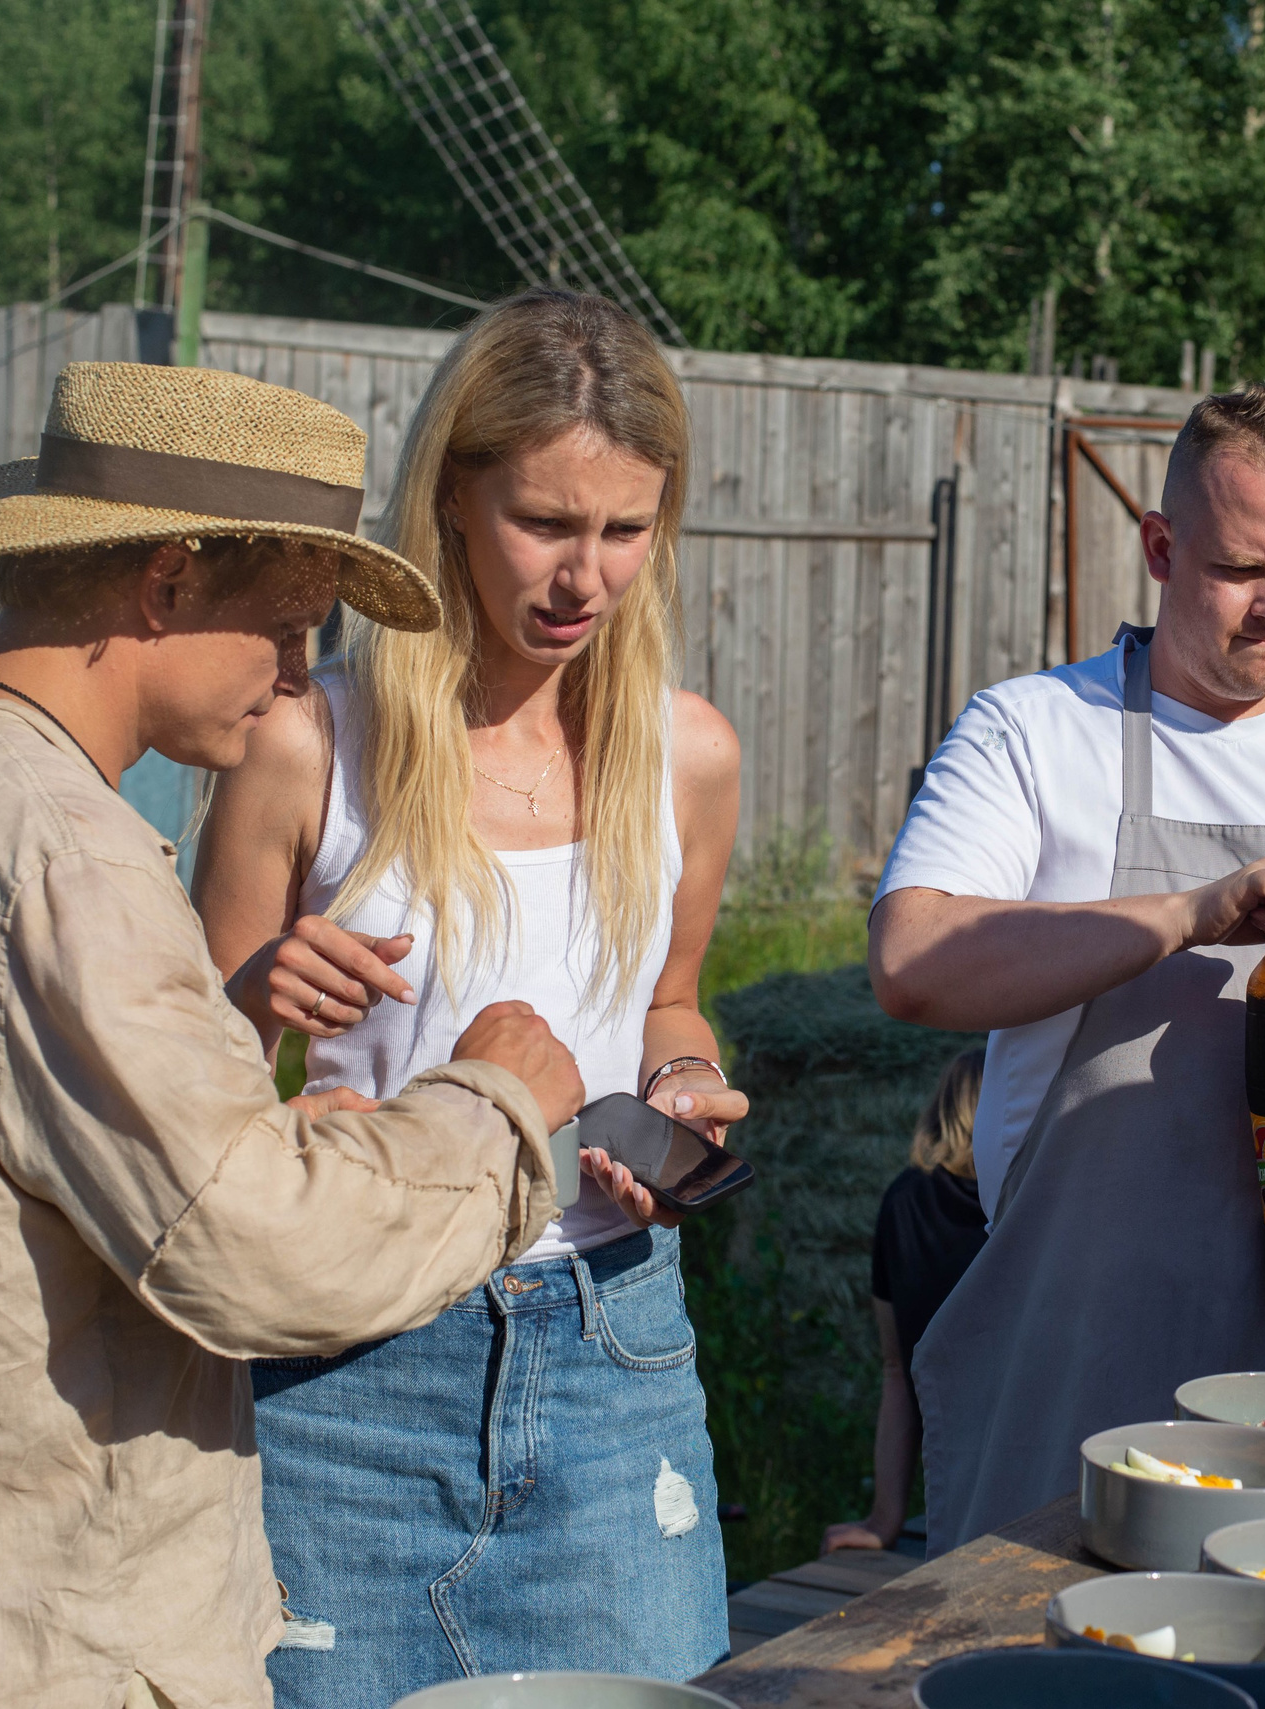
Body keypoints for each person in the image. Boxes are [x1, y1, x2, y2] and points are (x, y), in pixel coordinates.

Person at [0, 361, 592, 1709]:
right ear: (171, 580)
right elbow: (255, 1251)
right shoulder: (58, 850)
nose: (300, 677)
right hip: (47, 1642)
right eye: (291, 622)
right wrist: (493, 1102)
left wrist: (255, 1103)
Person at [193, 289, 743, 1700]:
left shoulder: (685, 756)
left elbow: (671, 999)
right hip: (347, 1367)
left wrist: (683, 1088)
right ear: (449, 495)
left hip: (617, 1342)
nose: (587, 576)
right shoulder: (309, 748)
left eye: (626, 532)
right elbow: (183, 1089)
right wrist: (259, 990)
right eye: (546, 525)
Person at [872, 383, 1265, 1552]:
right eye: (1240, 570)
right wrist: (1179, 913)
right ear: (1161, 547)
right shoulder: (1032, 733)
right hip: (1079, 1361)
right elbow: (915, 961)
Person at [823, 1049, 991, 1555]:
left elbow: (898, 1367)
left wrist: (883, 1520)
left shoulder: (904, 1199)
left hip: (948, 1472)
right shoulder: (1025, 1199)